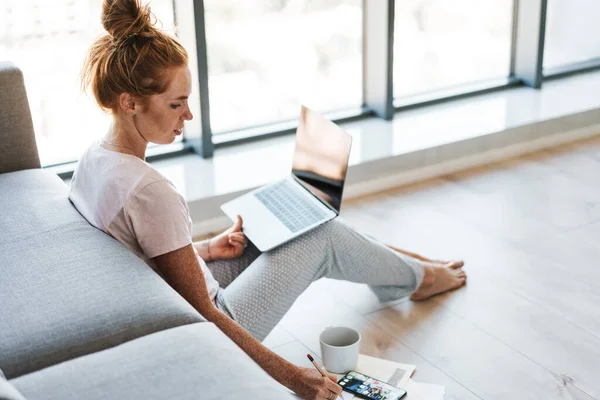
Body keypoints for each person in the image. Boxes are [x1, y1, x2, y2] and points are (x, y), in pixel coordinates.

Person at [69, 1, 467, 399]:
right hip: (209, 324)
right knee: (321, 236)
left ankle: (407, 271)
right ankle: (420, 277)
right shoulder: (149, 190)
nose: (188, 115)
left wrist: (206, 248)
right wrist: (294, 376)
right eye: (176, 103)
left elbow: (141, 257)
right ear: (129, 102)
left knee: (295, 225)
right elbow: (206, 315)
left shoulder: (94, 160)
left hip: (173, 297)